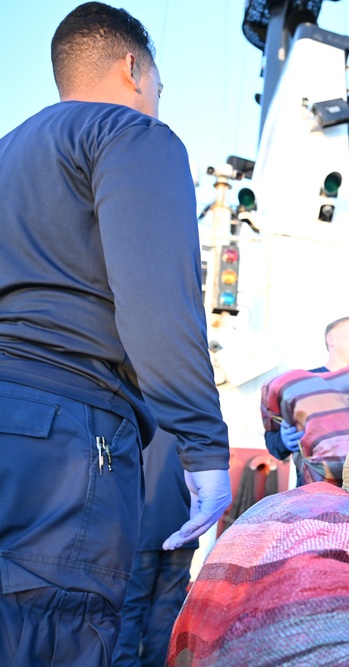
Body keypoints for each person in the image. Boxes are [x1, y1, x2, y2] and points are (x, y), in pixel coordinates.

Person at [0, 3, 231, 664]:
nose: (156, 98)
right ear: (134, 68)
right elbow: (158, 299)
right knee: (55, 633)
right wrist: (205, 448)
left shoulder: (9, 151)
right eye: (159, 83)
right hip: (68, 437)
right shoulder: (129, 133)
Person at [112, 430, 196, 667]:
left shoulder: (137, 412)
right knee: (167, 609)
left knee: (129, 606)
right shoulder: (189, 417)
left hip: (141, 526)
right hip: (184, 525)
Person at [263, 314, 349, 485]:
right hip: (313, 491)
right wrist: (283, 440)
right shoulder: (301, 385)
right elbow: (273, 441)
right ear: (331, 339)